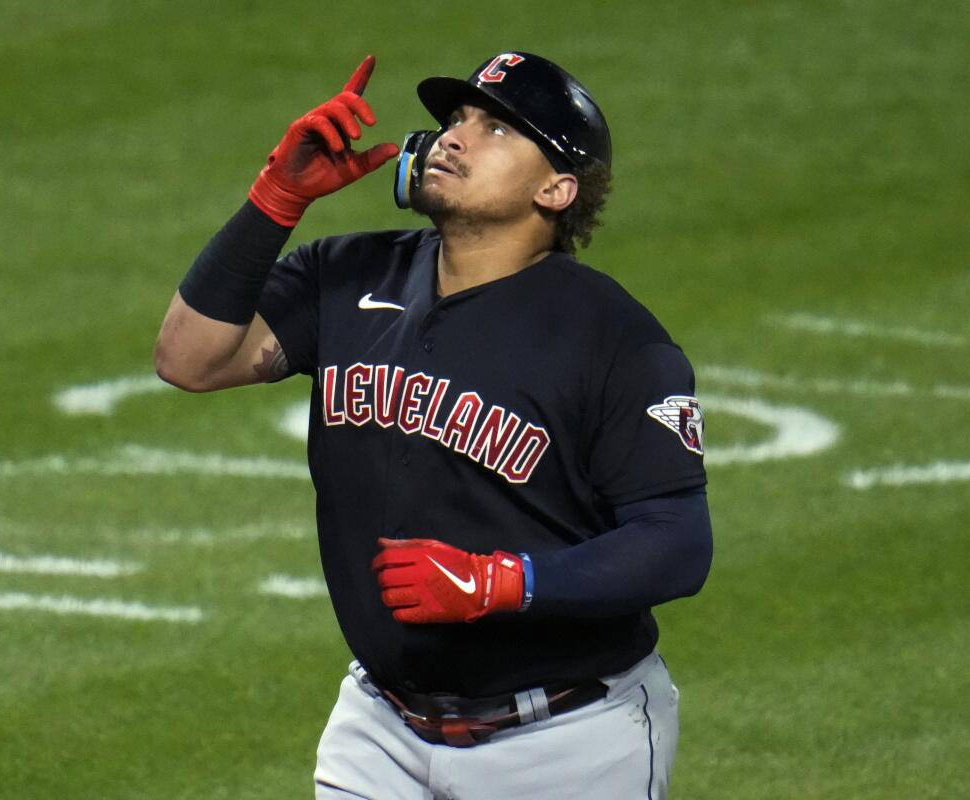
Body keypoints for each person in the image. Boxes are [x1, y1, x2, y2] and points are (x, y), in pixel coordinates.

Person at [155, 51, 713, 800]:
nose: (454, 136)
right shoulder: (347, 275)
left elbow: (677, 544)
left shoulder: (614, 340)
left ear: (557, 188)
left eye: (496, 129)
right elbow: (187, 359)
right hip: (381, 728)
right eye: (455, 118)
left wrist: (503, 582)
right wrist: (276, 199)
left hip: (568, 742)